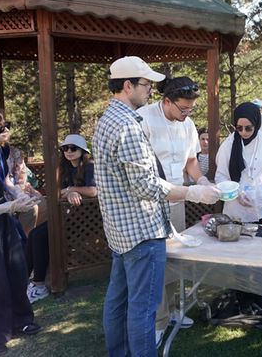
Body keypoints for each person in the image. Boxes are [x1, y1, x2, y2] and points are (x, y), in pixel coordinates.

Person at [94, 56, 220, 356]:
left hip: (120, 229)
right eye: (146, 84)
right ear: (128, 86)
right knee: (143, 309)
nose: (149, 89)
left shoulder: (108, 119)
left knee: (118, 300)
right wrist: (193, 194)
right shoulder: (128, 125)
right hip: (142, 229)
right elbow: (146, 185)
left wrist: (196, 183)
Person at [137, 76, 212, 345]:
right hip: (149, 203)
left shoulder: (188, 124)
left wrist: (202, 181)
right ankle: (157, 322)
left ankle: (172, 312)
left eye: (191, 109)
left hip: (178, 200)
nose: (187, 114)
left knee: (173, 261)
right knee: (156, 263)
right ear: (166, 101)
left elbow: (191, 160)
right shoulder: (143, 118)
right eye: (183, 109)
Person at [0, 107, 41, 355]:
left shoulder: (0, 151)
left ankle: (21, 321)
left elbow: (6, 181)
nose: (5, 129)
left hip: (4, 215)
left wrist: (20, 196)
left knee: (16, 269)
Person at [25, 134, 97, 304]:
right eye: (65, 148)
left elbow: (94, 191)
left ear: (82, 150)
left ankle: (39, 285)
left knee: (42, 236)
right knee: (35, 234)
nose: (69, 151)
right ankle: (26, 280)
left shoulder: (89, 166)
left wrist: (72, 189)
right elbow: (56, 191)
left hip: (87, 218)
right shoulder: (63, 168)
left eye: (73, 148)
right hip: (67, 216)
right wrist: (70, 192)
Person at [215, 101, 262, 224]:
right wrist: (237, 194)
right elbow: (221, 177)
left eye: (248, 128)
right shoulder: (227, 146)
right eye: (239, 128)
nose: (243, 132)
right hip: (237, 210)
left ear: (256, 124)